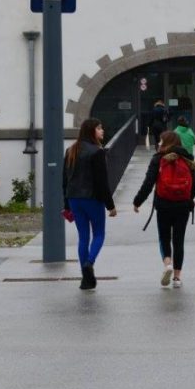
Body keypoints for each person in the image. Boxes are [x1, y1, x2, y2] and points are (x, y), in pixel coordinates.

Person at [134, 131, 195, 289]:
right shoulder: (187, 158)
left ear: (166, 142)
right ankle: (177, 278)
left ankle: (168, 264)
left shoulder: (158, 159)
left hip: (163, 204)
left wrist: (138, 201)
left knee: (164, 237)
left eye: (161, 140)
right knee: (179, 240)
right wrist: (188, 199)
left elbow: (148, 183)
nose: (159, 143)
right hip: (182, 205)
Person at [62, 118, 117, 290]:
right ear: (91, 131)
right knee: (99, 234)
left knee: (83, 237)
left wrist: (67, 204)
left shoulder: (71, 150)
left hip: (74, 199)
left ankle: (86, 278)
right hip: (92, 199)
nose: (103, 131)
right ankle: (89, 263)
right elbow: (102, 182)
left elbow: (64, 180)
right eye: (99, 128)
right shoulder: (97, 152)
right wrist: (110, 205)